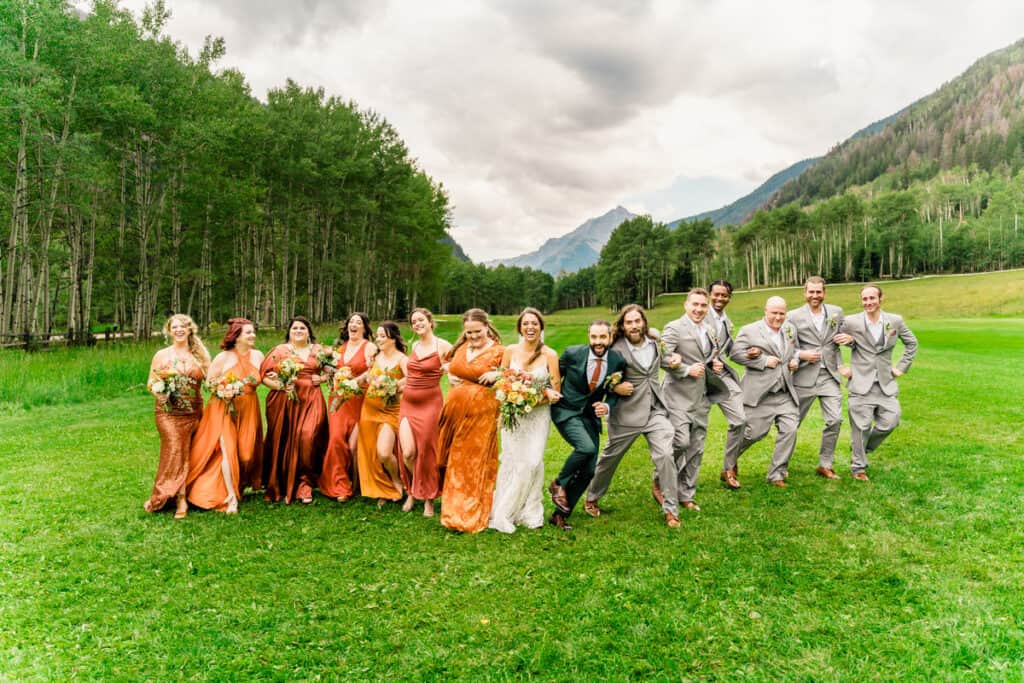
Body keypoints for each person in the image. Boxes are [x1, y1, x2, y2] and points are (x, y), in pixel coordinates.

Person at [584, 304, 681, 528]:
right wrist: (615, 389)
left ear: (644, 322)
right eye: (629, 322)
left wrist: (675, 362)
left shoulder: (655, 341)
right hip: (626, 413)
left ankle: (671, 510)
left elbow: (663, 361)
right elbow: (599, 376)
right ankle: (592, 497)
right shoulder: (615, 348)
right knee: (609, 459)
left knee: (666, 454)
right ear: (623, 325)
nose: (634, 325)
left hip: (655, 410)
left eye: (638, 321)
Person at [488, 308, 562, 533]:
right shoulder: (510, 351)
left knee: (532, 462)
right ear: (520, 327)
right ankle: (506, 511)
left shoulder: (550, 354)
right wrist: (510, 404)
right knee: (512, 461)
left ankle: (530, 510)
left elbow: (555, 391)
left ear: (541, 327)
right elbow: (502, 381)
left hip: (537, 417)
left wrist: (527, 400)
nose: (530, 327)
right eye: (526, 324)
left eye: (535, 324)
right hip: (514, 418)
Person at [548, 320, 627, 530]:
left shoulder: (617, 361)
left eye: (603, 337)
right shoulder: (572, 353)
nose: (598, 342)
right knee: (586, 448)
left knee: (588, 471)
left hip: (590, 417)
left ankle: (560, 515)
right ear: (588, 336)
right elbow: (553, 377)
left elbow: (613, 392)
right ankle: (559, 483)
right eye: (594, 337)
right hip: (566, 411)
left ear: (610, 337)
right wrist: (549, 392)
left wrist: (607, 407)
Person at [838, 285, 918, 481]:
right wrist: (840, 366)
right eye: (864, 299)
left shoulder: (895, 321)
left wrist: (901, 367)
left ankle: (862, 448)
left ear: (881, 299)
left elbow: (912, 343)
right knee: (861, 426)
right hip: (860, 382)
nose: (868, 303)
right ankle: (858, 467)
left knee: (892, 420)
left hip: (885, 383)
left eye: (872, 298)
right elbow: (830, 343)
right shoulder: (850, 322)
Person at [659, 288, 729, 512]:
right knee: (680, 442)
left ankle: (686, 494)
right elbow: (661, 357)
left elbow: (708, 357)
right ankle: (660, 479)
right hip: (677, 396)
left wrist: (714, 365)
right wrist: (686, 369)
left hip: (701, 396)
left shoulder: (709, 329)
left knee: (696, 447)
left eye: (703, 305)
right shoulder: (674, 328)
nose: (699, 309)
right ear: (686, 305)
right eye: (695, 305)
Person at [186, 318, 264, 513]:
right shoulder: (223, 357)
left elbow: (267, 376)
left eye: (253, 331)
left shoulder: (258, 355)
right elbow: (210, 383)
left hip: (249, 408)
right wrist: (225, 391)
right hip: (223, 409)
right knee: (227, 451)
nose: (253, 335)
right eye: (248, 332)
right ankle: (230, 498)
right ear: (237, 336)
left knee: (246, 454)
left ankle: (238, 485)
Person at [438, 308, 505, 533]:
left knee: (473, 462)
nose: (473, 336)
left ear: (487, 326)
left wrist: (499, 375)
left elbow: (513, 374)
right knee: (455, 461)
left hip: (482, 414)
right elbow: (449, 365)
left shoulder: (499, 351)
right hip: (455, 414)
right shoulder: (462, 348)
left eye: (477, 331)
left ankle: (468, 515)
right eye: (469, 333)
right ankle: (452, 512)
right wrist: (449, 372)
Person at [144, 314, 210, 519]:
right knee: (175, 448)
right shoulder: (161, 355)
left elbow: (212, 380)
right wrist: (159, 393)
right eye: (175, 327)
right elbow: (151, 382)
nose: (179, 330)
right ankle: (178, 498)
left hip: (194, 410)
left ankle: (191, 492)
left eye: (183, 326)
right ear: (169, 331)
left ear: (190, 330)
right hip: (168, 412)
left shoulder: (200, 355)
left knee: (190, 451)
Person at [729, 296, 801, 487]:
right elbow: (735, 354)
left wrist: (795, 361)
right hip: (760, 393)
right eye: (774, 313)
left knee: (790, 429)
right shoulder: (749, 330)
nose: (778, 317)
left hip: (785, 391)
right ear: (765, 311)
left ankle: (776, 474)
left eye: (782, 313)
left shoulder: (790, 328)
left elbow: (794, 351)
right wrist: (761, 361)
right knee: (754, 434)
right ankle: (729, 464)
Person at [261, 315, 329, 504]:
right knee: (286, 439)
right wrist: (280, 386)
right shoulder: (280, 350)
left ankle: (305, 483)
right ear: (289, 332)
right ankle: (282, 481)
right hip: (286, 400)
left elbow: (333, 370)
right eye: (294, 328)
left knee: (307, 436)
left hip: (312, 398)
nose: (298, 331)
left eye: (302, 328)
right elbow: (265, 376)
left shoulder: (319, 350)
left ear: (309, 331)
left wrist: (322, 379)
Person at [786, 277, 850, 480]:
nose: (815, 296)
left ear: (824, 293)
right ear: (805, 293)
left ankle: (825, 464)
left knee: (835, 419)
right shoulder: (792, 316)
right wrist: (800, 354)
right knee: (792, 423)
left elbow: (839, 340)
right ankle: (781, 465)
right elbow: (786, 346)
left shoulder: (836, 312)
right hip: (804, 375)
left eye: (818, 292)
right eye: (811, 292)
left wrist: (848, 342)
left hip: (829, 376)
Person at [398, 308, 451, 517]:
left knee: (427, 453)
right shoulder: (414, 345)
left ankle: (428, 498)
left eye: (421, 320)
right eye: (413, 322)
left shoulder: (443, 345)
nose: (417, 324)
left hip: (431, 404)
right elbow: (411, 374)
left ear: (430, 322)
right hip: (407, 404)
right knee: (408, 451)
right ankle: (413, 489)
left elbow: (453, 369)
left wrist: (451, 373)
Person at [319, 313, 376, 502]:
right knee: (336, 439)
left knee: (354, 445)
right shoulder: (339, 349)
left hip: (361, 400)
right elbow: (332, 370)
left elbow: (374, 370)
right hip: (339, 400)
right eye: (351, 322)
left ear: (365, 328)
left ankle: (358, 482)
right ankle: (340, 485)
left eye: (358, 323)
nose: (354, 325)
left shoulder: (369, 347)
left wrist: (356, 381)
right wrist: (329, 372)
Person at [355, 321, 407, 505]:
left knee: (384, 452)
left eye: (382, 336)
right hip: (368, 410)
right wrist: (354, 381)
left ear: (393, 338)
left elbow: (411, 379)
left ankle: (397, 481)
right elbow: (369, 375)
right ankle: (383, 488)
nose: (378, 339)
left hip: (390, 411)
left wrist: (393, 386)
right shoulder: (376, 357)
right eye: (377, 336)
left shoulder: (402, 359)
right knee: (371, 452)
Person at [705, 280, 749, 490]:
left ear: (729, 298)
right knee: (689, 431)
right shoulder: (699, 316)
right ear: (709, 294)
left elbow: (730, 351)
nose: (720, 299)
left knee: (739, 420)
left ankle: (728, 468)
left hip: (721, 375)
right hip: (697, 377)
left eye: (724, 295)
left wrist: (752, 353)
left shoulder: (727, 322)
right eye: (716, 294)